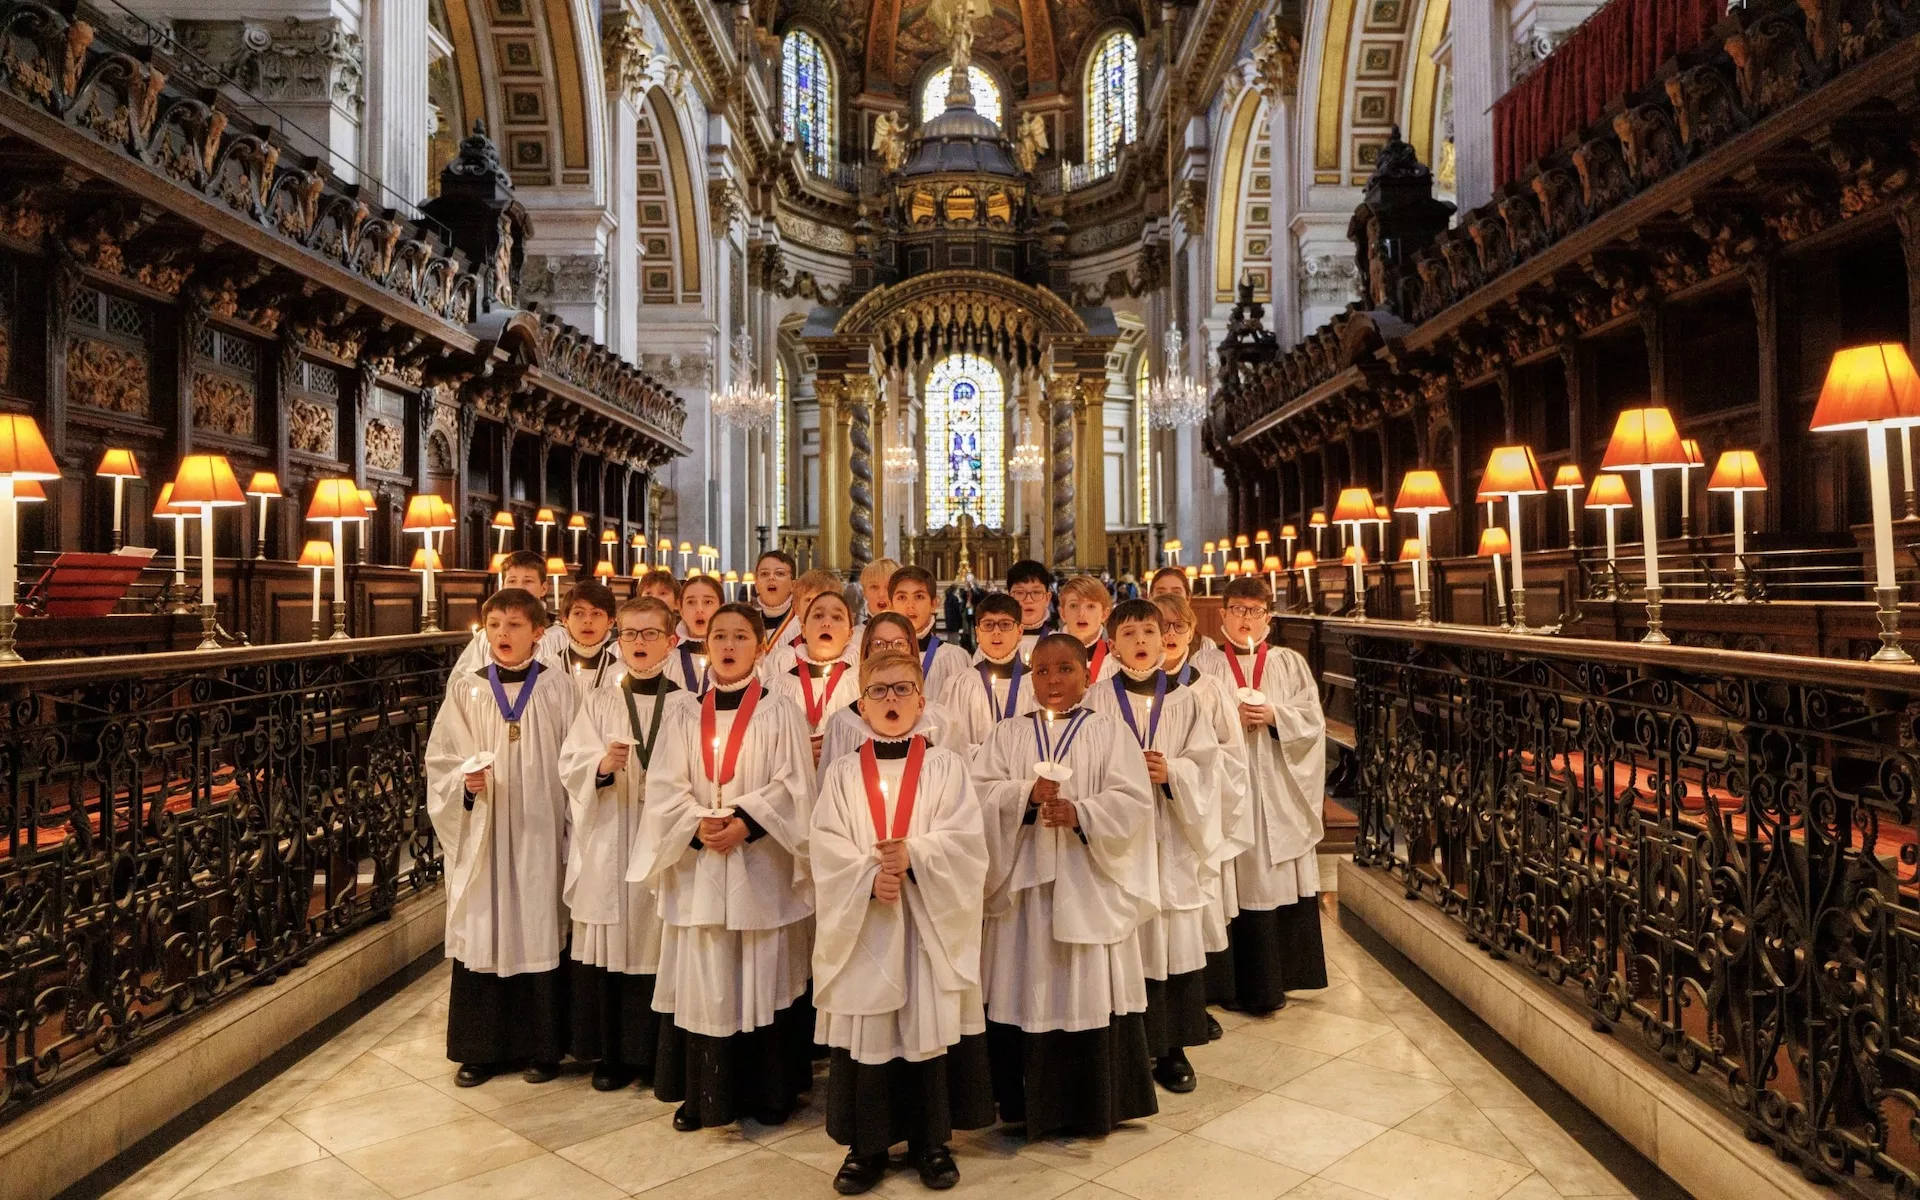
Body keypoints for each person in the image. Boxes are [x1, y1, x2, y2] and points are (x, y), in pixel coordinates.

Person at [630, 602, 818, 1131]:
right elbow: (663, 786)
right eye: (720, 637)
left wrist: (749, 821)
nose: (729, 646)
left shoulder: (779, 710)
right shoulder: (686, 711)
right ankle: (705, 1092)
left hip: (761, 866)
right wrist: (695, 823)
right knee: (705, 974)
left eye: (741, 637)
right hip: (701, 868)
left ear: (761, 647)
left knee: (762, 971)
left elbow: (795, 785)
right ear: (703, 644)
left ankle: (769, 1091)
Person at [812, 651, 994, 1193]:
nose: (891, 701)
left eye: (902, 690)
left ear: (922, 700)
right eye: (879, 692)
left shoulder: (946, 766)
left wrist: (915, 855)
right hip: (868, 924)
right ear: (861, 705)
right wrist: (866, 878)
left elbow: (967, 842)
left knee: (924, 1028)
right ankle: (865, 1146)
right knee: (870, 1029)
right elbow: (824, 846)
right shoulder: (845, 771)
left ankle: (930, 1142)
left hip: (926, 925)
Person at [969, 634, 1158, 1138]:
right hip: (1024, 892)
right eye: (1043, 671)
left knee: (1086, 986)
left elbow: (1135, 800)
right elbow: (979, 794)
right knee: (1022, 984)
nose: (1053, 681)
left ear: (1087, 675)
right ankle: (1022, 1103)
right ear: (1031, 678)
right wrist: (1023, 797)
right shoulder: (1008, 734)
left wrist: (1081, 813)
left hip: (1086, 881)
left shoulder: (1110, 732)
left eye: (1065, 670)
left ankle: (1089, 1105)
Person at [424, 587, 577, 1087]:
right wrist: (463, 786)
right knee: (487, 926)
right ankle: (480, 1050)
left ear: (539, 633)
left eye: (515, 625)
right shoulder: (467, 688)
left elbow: (576, 758)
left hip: (540, 825)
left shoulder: (560, 687)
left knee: (536, 921)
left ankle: (543, 1048)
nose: (503, 635)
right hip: (486, 830)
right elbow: (441, 759)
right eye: (494, 626)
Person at [1085, 600, 1221, 1094]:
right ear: (1111, 643)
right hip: (1122, 839)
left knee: (1170, 936)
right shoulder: (1095, 700)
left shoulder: (1185, 700)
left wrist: (1174, 774)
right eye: (1129, 633)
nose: (1141, 641)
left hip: (1170, 833)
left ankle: (1173, 1046)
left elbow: (1208, 766)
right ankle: (1130, 1046)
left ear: (1165, 637)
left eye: (1149, 631)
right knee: (1129, 935)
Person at [557, 596, 693, 1091]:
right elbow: (570, 762)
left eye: (650, 634)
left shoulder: (687, 706)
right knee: (614, 948)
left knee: (658, 947)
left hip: (660, 842)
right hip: (611, 838)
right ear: (619, 640)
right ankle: (613, 1055)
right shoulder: (599, 702)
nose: (639, 643)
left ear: (670, 641)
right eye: (630, 635)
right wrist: (598, 767)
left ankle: (660, 1054)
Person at [1192, 577, 1328, 1013]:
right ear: (1224, 614)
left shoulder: (1288, 663)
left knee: (1269, 876)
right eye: (1237, 609)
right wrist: (1229, 721)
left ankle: (1276, 979)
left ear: (1268, 616)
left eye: (1254, 611)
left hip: (1274, 788)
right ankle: (1227, 983)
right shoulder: (1204, 665)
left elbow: (1313, 722)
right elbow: (1189, 722)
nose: (1245, 619)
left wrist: (1274, 716)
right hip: (1227, 790)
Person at [1153, 591, 1251, 1042]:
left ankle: (1191, 1015)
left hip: (1192, 823)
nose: (1169, 635)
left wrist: (1180, 775)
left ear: (1193, 635)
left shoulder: (1207, 689)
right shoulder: (1114, 689)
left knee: (1189, 926)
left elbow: (1231, 761)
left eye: (1179, 627)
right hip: (1138, 827)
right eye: (1161, 626)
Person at [819, 613, 946, 775]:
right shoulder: (842, 722)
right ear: (866, 651)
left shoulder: (939, 719)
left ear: (913, 649)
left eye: (899, 644)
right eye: (879, 644)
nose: (890, 651)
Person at [766, 589, 861, 764]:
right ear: (803, 629)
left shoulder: (862, 685)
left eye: (837, 617)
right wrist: (798, 754)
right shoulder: (777, 687)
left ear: (850, 634)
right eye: (818, 616)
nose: (826, 623)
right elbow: (765, 748)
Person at [937, 592, 1035, 754]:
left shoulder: (1035, 684)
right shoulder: (960, 685)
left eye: (1005, 624)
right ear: (978, 633)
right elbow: (950, 744)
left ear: (1019, 631)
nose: (996, 632)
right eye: (988, 625)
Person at [453, 551, 556, 673]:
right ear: (503, 586)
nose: (519, 588)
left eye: (528, 581)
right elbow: (466, 681)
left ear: (543, 588)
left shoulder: (557, 636)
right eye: (512, 581)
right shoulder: (485, 638)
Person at [890, 565, 971, 704]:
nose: (910, 605)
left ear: (934, 604)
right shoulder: (879, 657)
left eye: (919, 596)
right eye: (902, 597)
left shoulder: (955, 659)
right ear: (891, 605)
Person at [555, 582, 622, 693]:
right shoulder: (549, 668)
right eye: (579, 613)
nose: (588, 620)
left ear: (610, 622)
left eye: (596, 613)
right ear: (565, 620)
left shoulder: (619, 671)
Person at [664, 574, 724, 695]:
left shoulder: (733, 659)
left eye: (708, 602)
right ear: (681, 610)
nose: (699, 609)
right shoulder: (668, 661)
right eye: (691, 602)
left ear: (721, 609)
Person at [1057, 575, 1118, 681]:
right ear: (1063, 614)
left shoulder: (1115, 659)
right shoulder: (1049, 654)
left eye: (1090, 606)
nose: (1081, 614)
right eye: (1074, 606)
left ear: (1104, 614)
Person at [1150, 567, 1217, 655]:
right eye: (1161, 593)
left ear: (1188, 597)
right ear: (1150, 597)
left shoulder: (1204, 646)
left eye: (1176, 593)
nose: (1169, 598)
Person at [1006, 560, 1056, 657]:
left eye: (1036, 592)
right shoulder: (994, 643)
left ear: (1047, 598)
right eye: (1020, 593)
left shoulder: (1061, 643)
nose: (1028, 600)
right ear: (1009, 598)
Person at [754, 550, 800, 650]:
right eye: (764, 573)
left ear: (793, 585)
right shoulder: (748, 623)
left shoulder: (803, 625)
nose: (771, 577)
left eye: (779, 573)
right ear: (756, 585)